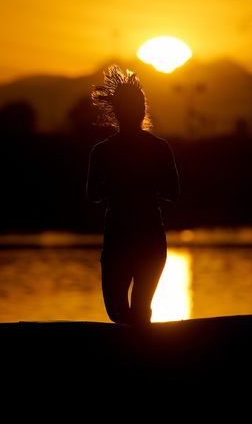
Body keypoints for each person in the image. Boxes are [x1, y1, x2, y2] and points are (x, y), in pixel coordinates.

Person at [87, 65, 180, 325]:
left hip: (148, 238)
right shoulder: (102, 152)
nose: (135, 111)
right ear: (117, 112)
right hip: (118, 239)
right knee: (117, 312)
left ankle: (141, 359)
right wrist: (116, 178)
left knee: (139, 311)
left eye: (138, 105)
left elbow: (174, 193)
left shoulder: (159, 149)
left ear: (142, 109)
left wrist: (145, 175)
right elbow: (92, 194)